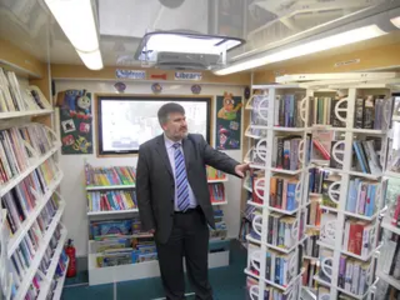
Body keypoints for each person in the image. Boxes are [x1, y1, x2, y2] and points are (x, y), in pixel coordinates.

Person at [136, 102, 249, 300]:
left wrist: (235, 166)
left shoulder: (196, 142)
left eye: (184, 118)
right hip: (166, 221)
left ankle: (204, 297)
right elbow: (142, 190)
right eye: (177, 120)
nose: (183, 123)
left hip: (195, 219)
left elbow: (216, 157)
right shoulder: (148, 149)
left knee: (199, 267)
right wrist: (148, 222)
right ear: (164, 125)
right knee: (171, 271)